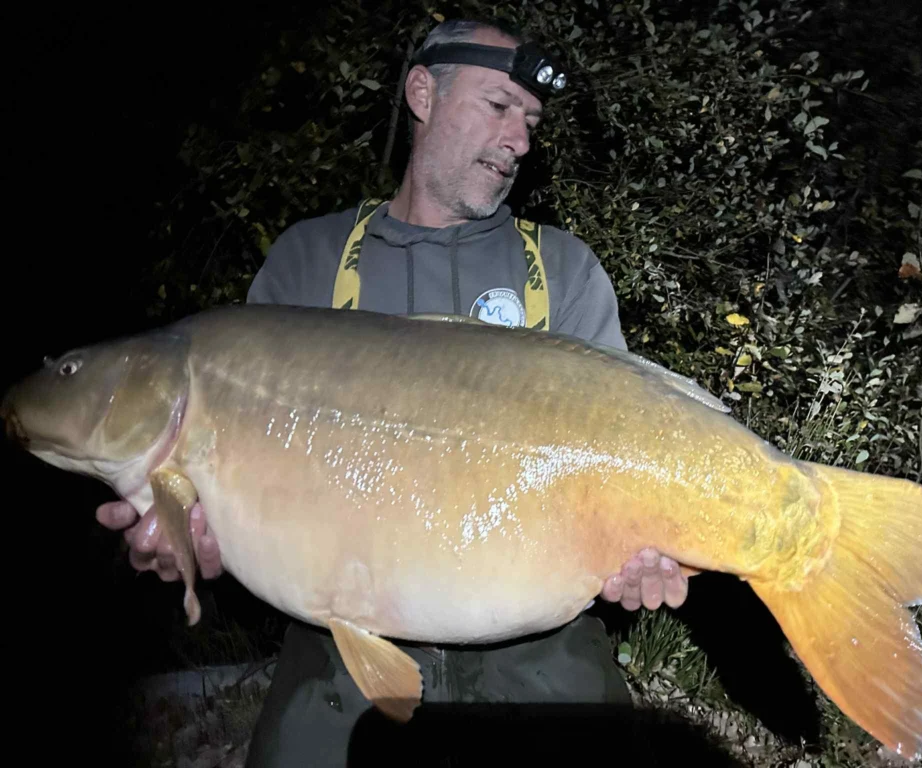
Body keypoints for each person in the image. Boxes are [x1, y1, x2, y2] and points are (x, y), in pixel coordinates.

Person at [96, 17, 699, 766]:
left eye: (531, 120)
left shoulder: (565, 272)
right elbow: (240, 500)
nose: (520, 140)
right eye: (498, 106)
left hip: (539, 656)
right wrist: (198, 539)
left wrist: (645, 552)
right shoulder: (308, 265)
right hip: (334, 658)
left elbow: (626, 471)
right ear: (423, 93)